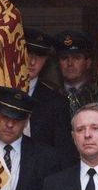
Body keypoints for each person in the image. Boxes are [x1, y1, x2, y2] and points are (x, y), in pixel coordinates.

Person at [25, 28, 77, 167]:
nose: (32, 61)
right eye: (28, 53)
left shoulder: (57, 103)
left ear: (47, 60)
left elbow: (64, 155)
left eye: (40, 55)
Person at [53, 31, 95, 103]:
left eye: (76, 58)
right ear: (58, 64)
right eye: (64, 58)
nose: (69, 63)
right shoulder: (49, 98)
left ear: (88, 63)